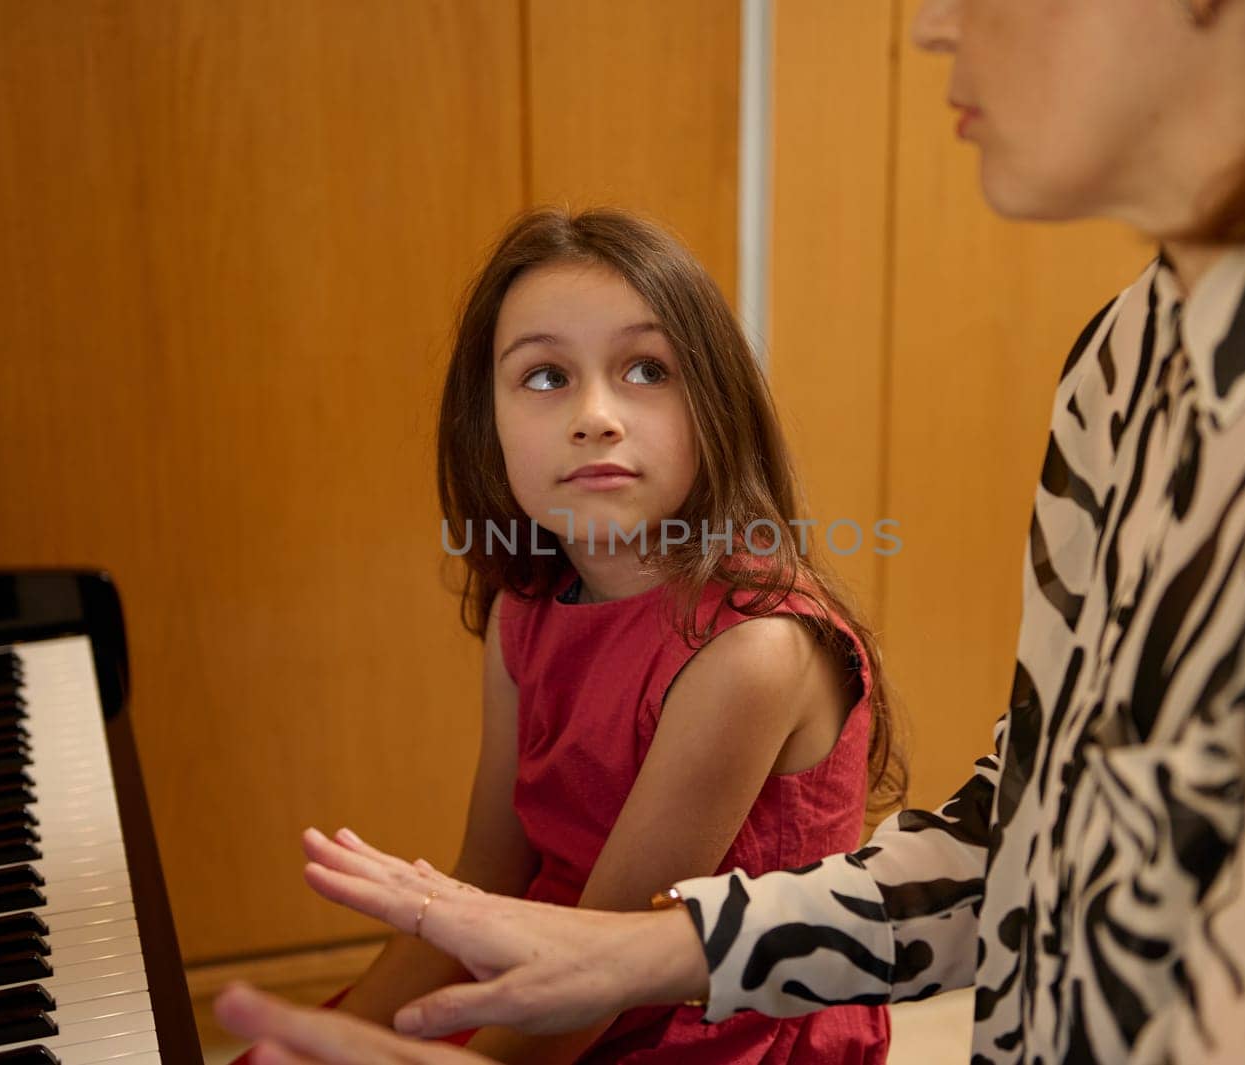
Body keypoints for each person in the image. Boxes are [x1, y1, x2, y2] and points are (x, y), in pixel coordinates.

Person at [216, 0, 1245, 1060]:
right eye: (541, 377)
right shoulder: (1126, 357)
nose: (925, 24)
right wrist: (627, 950)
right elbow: (1029, 839)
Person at [294, 207, 902, 1064]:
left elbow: (598, 981)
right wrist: (328, 1038)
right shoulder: (527, 607)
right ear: (489, 422)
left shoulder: (752, 651)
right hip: (547, 967)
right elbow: (489, 873)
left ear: (717, 406)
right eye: (544, 377)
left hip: (703, 1027)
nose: (595, 415)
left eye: (648, 368)